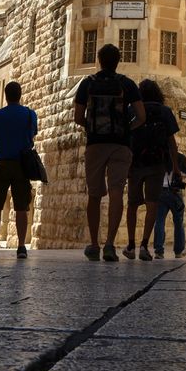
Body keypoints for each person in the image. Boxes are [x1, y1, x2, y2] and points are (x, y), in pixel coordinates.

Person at [74, 43, 145, 262]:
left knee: (94, 195)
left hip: (95, 144)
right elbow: (141, 116)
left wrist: (93, 128)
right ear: (118, 61)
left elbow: (77, 117)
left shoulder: (87, 84)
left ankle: (94, 244)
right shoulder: (127, 84)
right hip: (120, 145)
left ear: (99, 60)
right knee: (116, 192)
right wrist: (126, 129)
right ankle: (110, 245)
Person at [0, 80, 37, 260]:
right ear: (20, 95)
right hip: (21, 164)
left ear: (5, 95)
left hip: (2, 163)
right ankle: (20, 247)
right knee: (21, 207)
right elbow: (32, 134)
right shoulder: (29, 114)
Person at [123, 79, 181, 262]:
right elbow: (172, 143)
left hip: (135, 163)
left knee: (132, 204)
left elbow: (126, 137)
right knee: (152, 204)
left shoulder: (132, 110)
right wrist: (176, 168)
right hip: (157, 164)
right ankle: (144, 245)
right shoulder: (165, 112)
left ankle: (131, 245)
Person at [153, 151, 186, 260]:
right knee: (178, 222)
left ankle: (158, 251)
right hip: (175, 192)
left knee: (159, 221)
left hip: (161, 191)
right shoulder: (181, 157)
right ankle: (179, 250)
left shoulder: (159, 156)